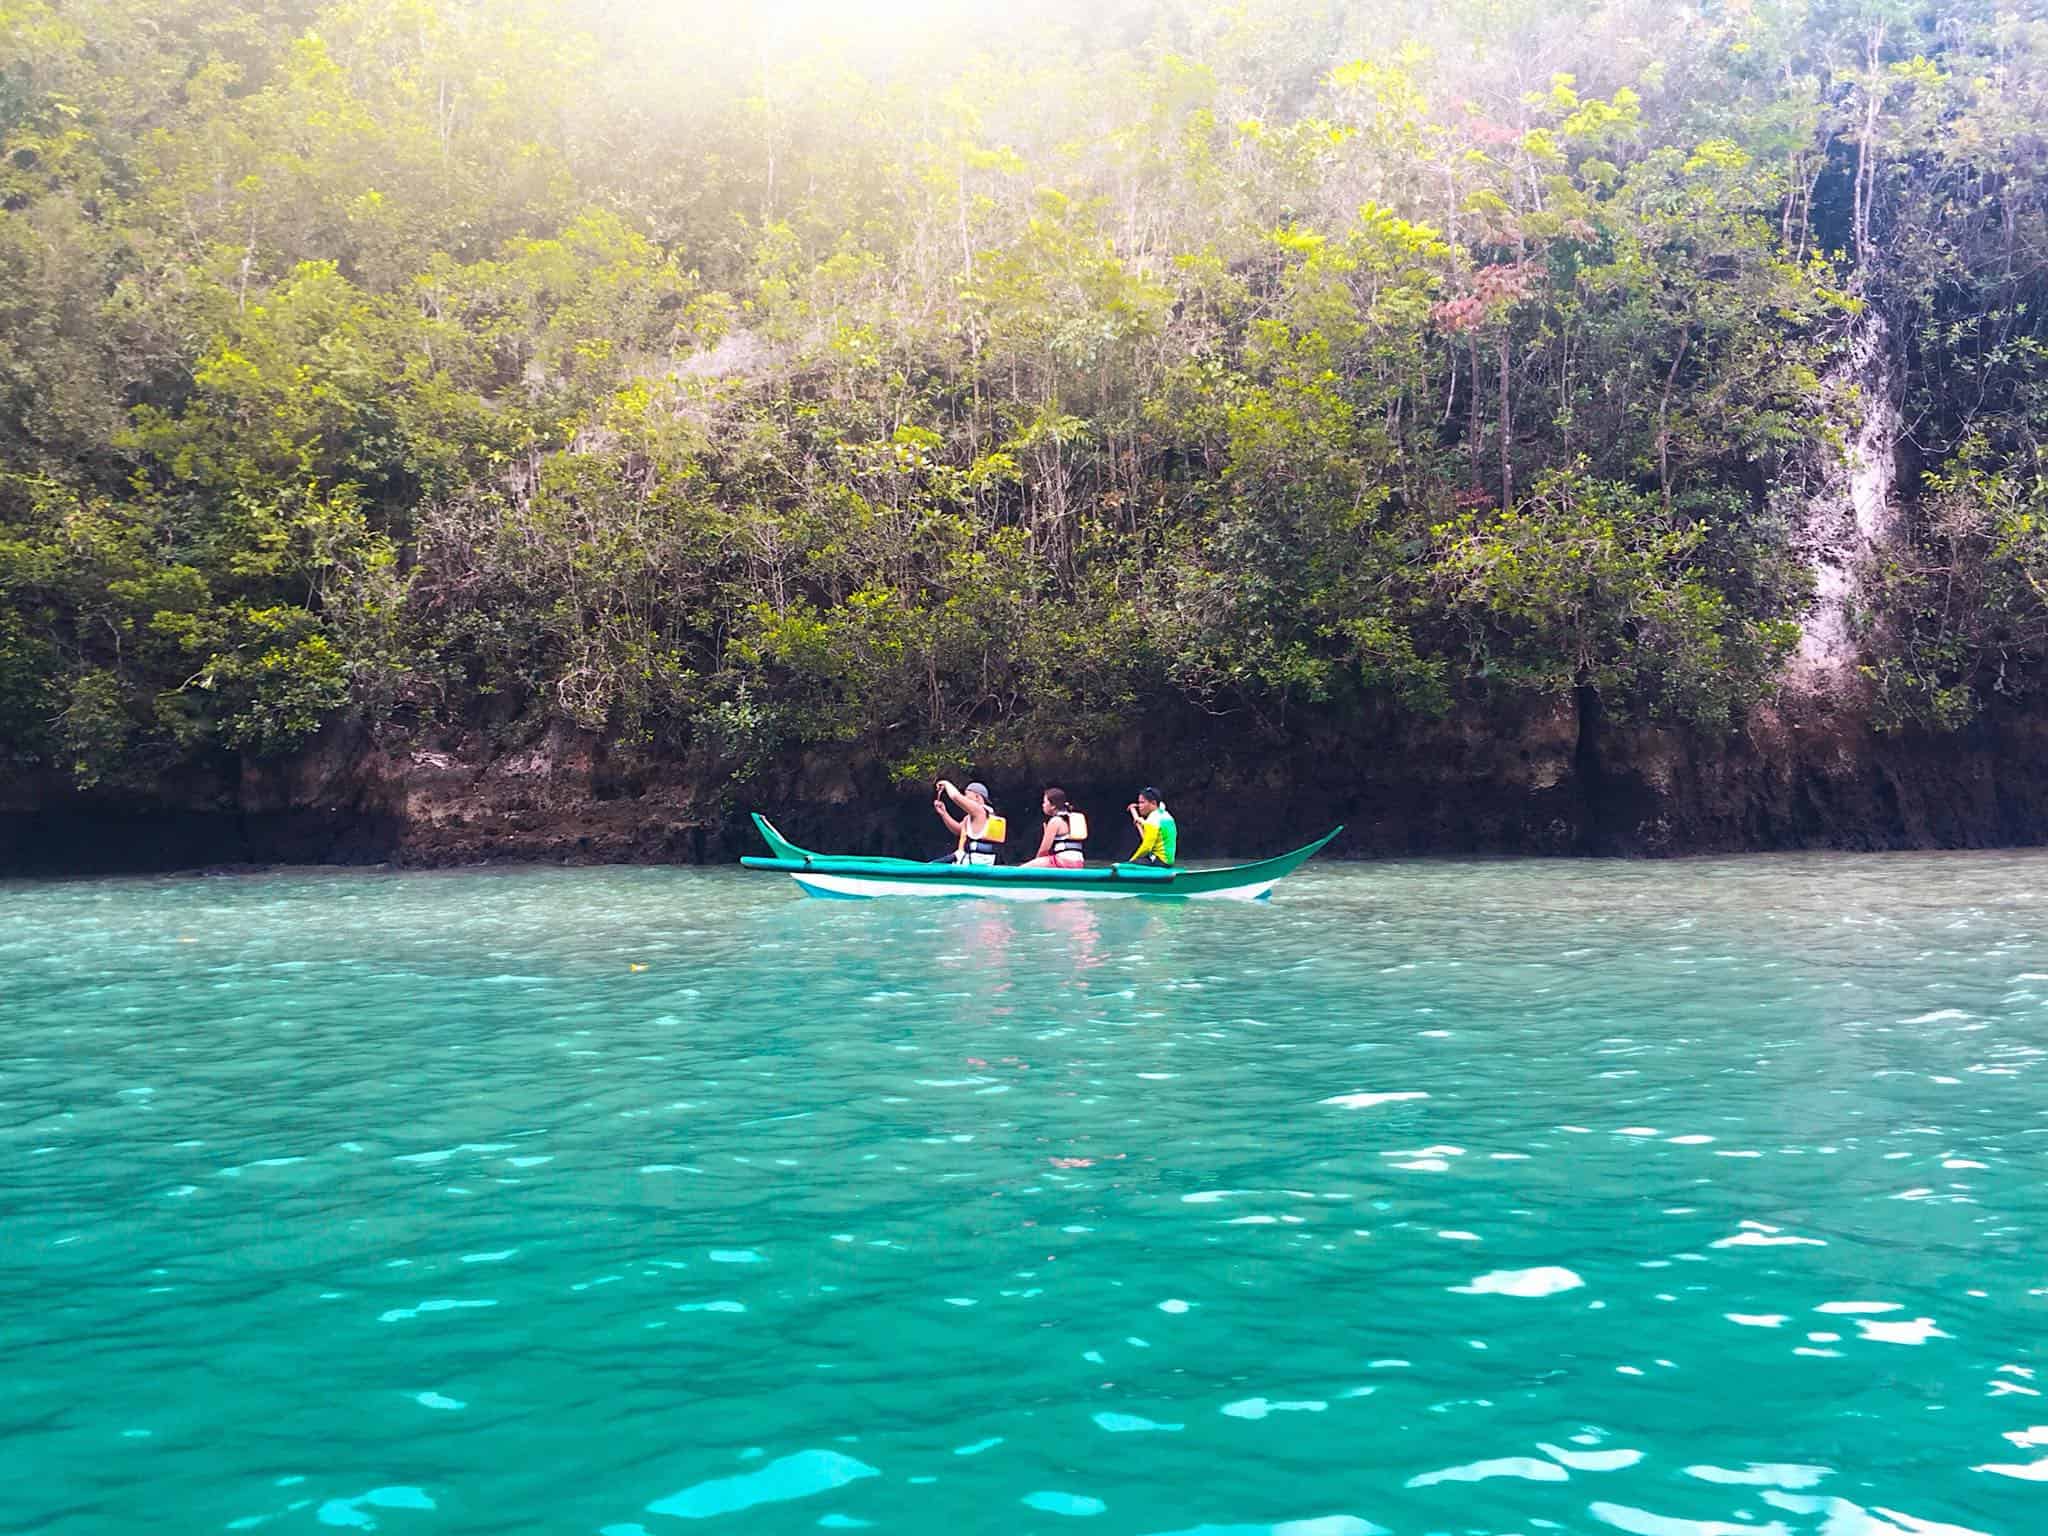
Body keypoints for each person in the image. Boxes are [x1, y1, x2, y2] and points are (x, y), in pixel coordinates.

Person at [933, 779, 1006, 864]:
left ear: (977, 797)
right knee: (934, 864)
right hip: (969, 861)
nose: (964, 798)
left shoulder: (980, 812)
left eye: (966, 795)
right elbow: (958, 830)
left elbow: (956, 797)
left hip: (978, 864)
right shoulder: (970, 817)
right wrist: (944, 813)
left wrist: (945, 783)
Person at [1024, 788, 1088, 869]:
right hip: (1079, 863)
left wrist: (1036, 863)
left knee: (1023, 869)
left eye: (1044, 802)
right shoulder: (1071, 818)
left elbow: (1043, 851)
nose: (1043, 805)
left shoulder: (1055, 821)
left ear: (1053, 806)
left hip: (1063, 862)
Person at [1126, 786, 1177, 866]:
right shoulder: (1166, 815)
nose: (1139, 806)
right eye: (1139, 803)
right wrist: (1142, 822)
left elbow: (1146, 848)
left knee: (1133, 862)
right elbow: (1156, 830)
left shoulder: (1153, 819)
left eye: (1142, 802)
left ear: (1153, 803)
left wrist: (1131, 861)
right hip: (1169, 861)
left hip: (1160, 861)